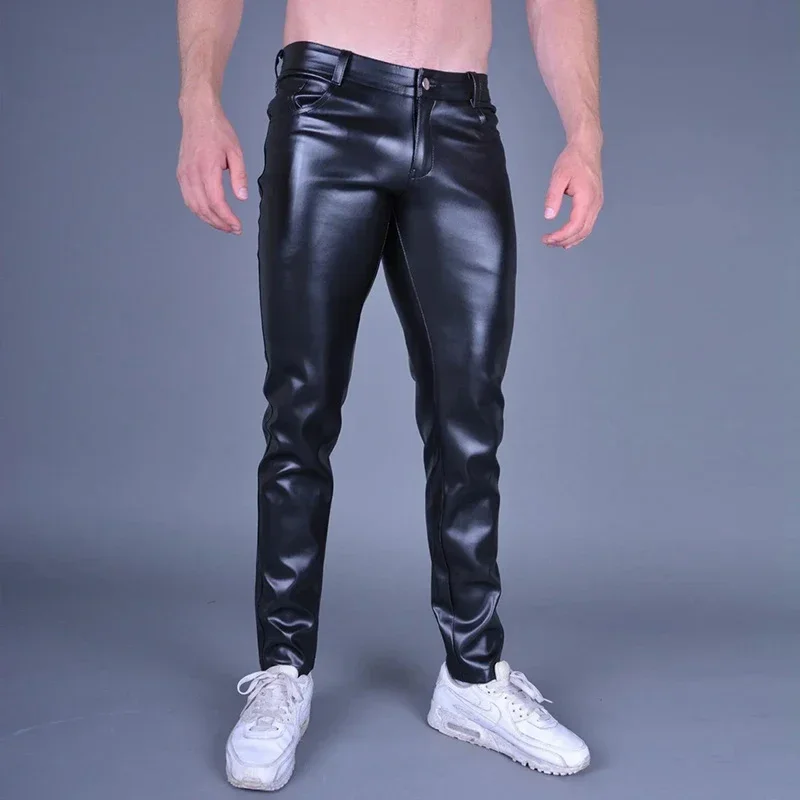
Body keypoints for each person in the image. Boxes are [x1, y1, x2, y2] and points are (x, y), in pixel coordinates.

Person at [176, 0, 603, 790]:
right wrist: (198, 102)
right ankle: (282, 671)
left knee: (470, 417)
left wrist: (586, 132)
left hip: (461, 122)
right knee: (301, 411)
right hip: (325, 109)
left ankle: (472, 676)